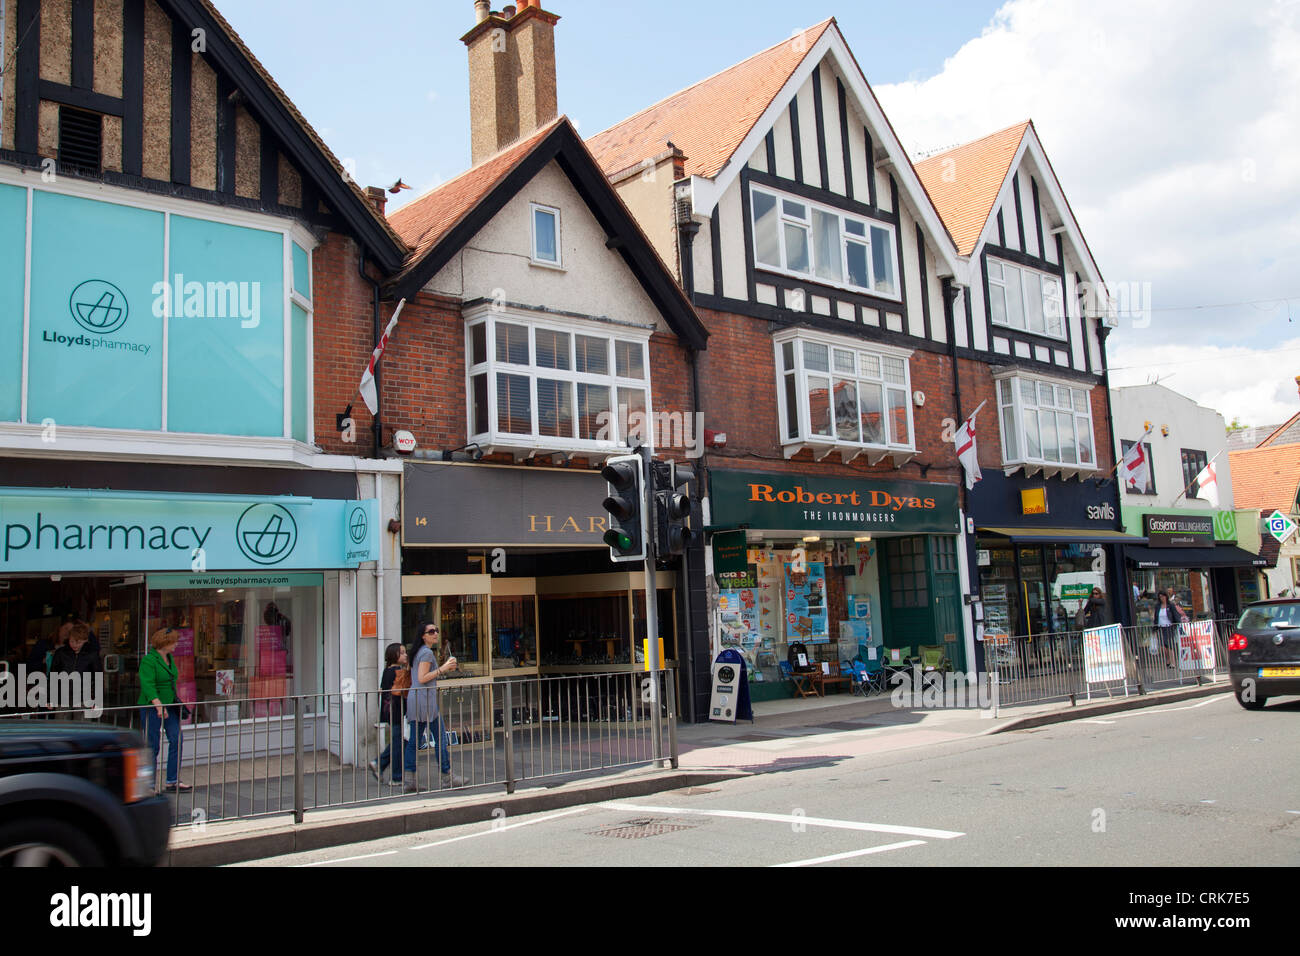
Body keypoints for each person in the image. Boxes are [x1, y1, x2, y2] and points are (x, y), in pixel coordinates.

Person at [395, 624, 466, 792]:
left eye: (436, 631)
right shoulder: (426, 653)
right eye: (431, 632)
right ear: (423, 636)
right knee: (439, 738)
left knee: (415, 740)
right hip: (425, 700)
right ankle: (446, 777)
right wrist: (443, 668)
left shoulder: (418, 652)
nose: (435, 634)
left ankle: (411, 780)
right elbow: (422, 677)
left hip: (418, 699)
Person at [137, 627, 191, 792]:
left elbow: (171, 680)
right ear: (165, 643)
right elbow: (148, 683)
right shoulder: (149, 660)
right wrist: (158, 704)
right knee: (152, 745)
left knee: (176, 739)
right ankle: (148, 784)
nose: (176, 644)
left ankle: (172, 780)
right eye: (173, 641)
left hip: (170, 705)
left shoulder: (169, 658)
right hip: (152, 706)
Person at [369, 643, 407, 783]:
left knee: (398, 741)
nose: (405, 655)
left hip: (389, 711)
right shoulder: (397, 671)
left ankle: (379, 764)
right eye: (402, 653)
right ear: (394, 655)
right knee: (398, 742)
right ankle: (396, 776)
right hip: (397, 711)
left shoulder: (387, 671)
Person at [1153, 591, 1181, 668]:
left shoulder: (1170, 605)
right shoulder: (1158, 606)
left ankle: (1173, 662)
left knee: (1169, 644)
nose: (1162, 598)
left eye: (1163, 596)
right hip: (1161, 627)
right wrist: (1154, 628)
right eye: (1160, 597)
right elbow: (1156, 617)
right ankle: (1167, 660)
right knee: (1163, 646)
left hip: (1169, 626)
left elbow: (1175, 615)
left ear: (1166, 597)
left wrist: (1178, 624)